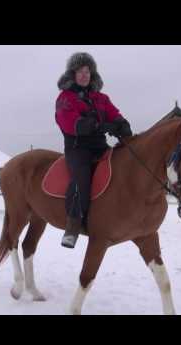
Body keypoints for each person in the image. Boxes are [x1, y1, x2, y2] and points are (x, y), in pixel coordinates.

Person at [55, 52, 132, 249]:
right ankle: (73, 226)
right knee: (81, 178)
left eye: (88, 71)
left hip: (99, 146)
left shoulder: (101, 98)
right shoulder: (65, 98)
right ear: (72, 74)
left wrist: (121, 125)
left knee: (120, 167)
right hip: (77, 147)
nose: (84, 75)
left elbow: (114, 114)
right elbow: (69, 122)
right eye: (80, 71)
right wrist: (96, 126)